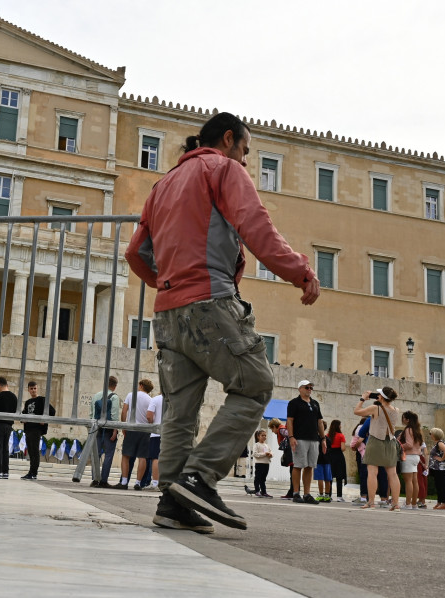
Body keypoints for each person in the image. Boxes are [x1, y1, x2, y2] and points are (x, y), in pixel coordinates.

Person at [125, 112, 320, 532]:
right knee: (255, 386)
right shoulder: (222, 169)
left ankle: (173, 503)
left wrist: (167, 285)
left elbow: (136, 252)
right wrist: (300, 271)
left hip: (167, 310)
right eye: (246, 151)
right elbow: (256, 227)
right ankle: (201, 477)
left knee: (179, 410)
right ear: (228, 139)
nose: (246, 162)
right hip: (209, 301)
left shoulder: (162, 186)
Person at [353, 387, 402, 511]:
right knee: (392, 474)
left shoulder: (376, 408)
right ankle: (395, 504)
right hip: (390, 442)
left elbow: (357, 411)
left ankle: (371, 502)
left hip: (376, 440)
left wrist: (363, 399)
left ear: (380, 396)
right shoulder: (396, 410)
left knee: (372, 472)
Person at [287, 381, 325, 505]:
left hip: (314, 439)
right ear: (300, 389)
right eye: (307, 387)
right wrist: (291, 436)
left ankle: (307, 494)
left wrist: (323, 438)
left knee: (310, 466)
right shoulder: (294, 403)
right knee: (298, 465)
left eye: (311, 388)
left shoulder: (315, 404)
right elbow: (290, 420)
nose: (309, 389)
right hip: (300, 438)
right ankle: (296, 493)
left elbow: (320, 422)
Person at [116, 379, 154, 490]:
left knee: (126, 456)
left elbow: (124, 411)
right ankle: (138, 482)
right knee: (142, 457)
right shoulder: (150, 399)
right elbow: (150, 416)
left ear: (141, 385)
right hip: (144, 430)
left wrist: (124, 425)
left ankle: (124, 482)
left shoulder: (131, 395)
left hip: (132, 428)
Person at [89, 376, 120, 488]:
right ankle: (103, 480)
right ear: (115, 386)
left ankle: (95, 479)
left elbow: (91, 414)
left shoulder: (96, 395)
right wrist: (115, 431)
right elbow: (114, 415)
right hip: (108, 430)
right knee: (109, 455)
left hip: (96, 428)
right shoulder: (114, 397)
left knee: (95, 455)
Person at [21, 381, 55, 480]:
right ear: (28, 390)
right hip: (28, 429)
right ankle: (31, 472)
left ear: (37, 389)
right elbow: (23, 414)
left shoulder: (42, 400)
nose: (33, 390)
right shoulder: (27, 402)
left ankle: (33, 473)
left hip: (37, 429)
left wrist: (44, 420)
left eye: (35, 388)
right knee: (31, 451)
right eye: (31, 389)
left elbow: (52, 412)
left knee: (35, 451)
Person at [0, 377, 18, 479]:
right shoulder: (14, 397)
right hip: (9, 425)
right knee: (5, 449)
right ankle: (5, 471)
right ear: (7, 385)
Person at [398, 411, 423, 510]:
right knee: (414, 481)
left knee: (408, 481)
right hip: (416, 456)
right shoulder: (417, 429)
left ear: (407, 420)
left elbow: (409, 444)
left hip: (408, 456)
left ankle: (408, 503)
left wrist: (399, 446)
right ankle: (413, 504)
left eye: (403, 418)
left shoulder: (408, 429)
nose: (402, 420)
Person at [140, 391, 163, 490]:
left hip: (157, 432)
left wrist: (152, 422)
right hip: (170, 433)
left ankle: (155, 483)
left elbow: (149, 415)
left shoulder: (156, 399)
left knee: (155, 458)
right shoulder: (173, 400)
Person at [268, 418, 294, 500]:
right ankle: (292, 492)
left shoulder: (281, 429)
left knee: (293, 474)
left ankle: (292, 492)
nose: (272, 431)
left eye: (272, 429)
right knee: (292, 474)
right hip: (292, 453)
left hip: (291, 454)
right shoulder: (282, 429)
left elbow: (290, 435)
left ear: (274, 426)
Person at [427, 428, 445, 510]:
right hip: (437, 468)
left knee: (441, 486)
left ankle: (444, 503)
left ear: (434, 435)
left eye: (431, 433)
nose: (430, 435)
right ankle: (439, 502)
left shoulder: (440, 443)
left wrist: (442, 459)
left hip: (440, 468)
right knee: (438, 485)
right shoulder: (438, 443)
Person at [326, 419, 347, 502]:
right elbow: (343, 448)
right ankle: (339, 496)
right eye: (340, 425)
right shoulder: (341, 435)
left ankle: (329, 495)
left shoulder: (327, 435)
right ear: (338, 426)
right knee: (339, 477)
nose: (341, 426)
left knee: (330, 476)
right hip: (338, 456)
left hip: (330, 456)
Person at [314, 419, 332, 502]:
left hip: (318, 460)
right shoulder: (327, 439)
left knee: (320, 478)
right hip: (327, 460)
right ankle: (327, 495)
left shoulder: (316, 438)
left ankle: (321, 495)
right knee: (327, 478)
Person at [252, 429, 272, 498]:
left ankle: (264, 492)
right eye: (262, 435)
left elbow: (270, 452)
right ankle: (257, 490)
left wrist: (270, 455)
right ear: (258, 436)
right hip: (259, 464)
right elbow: (255, 454)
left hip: (266, 464)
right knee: (258, 478)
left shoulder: (266, 445)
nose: (264, 437)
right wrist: (264, 454)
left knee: (263, 479)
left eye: (265, 435)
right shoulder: (256, 445)